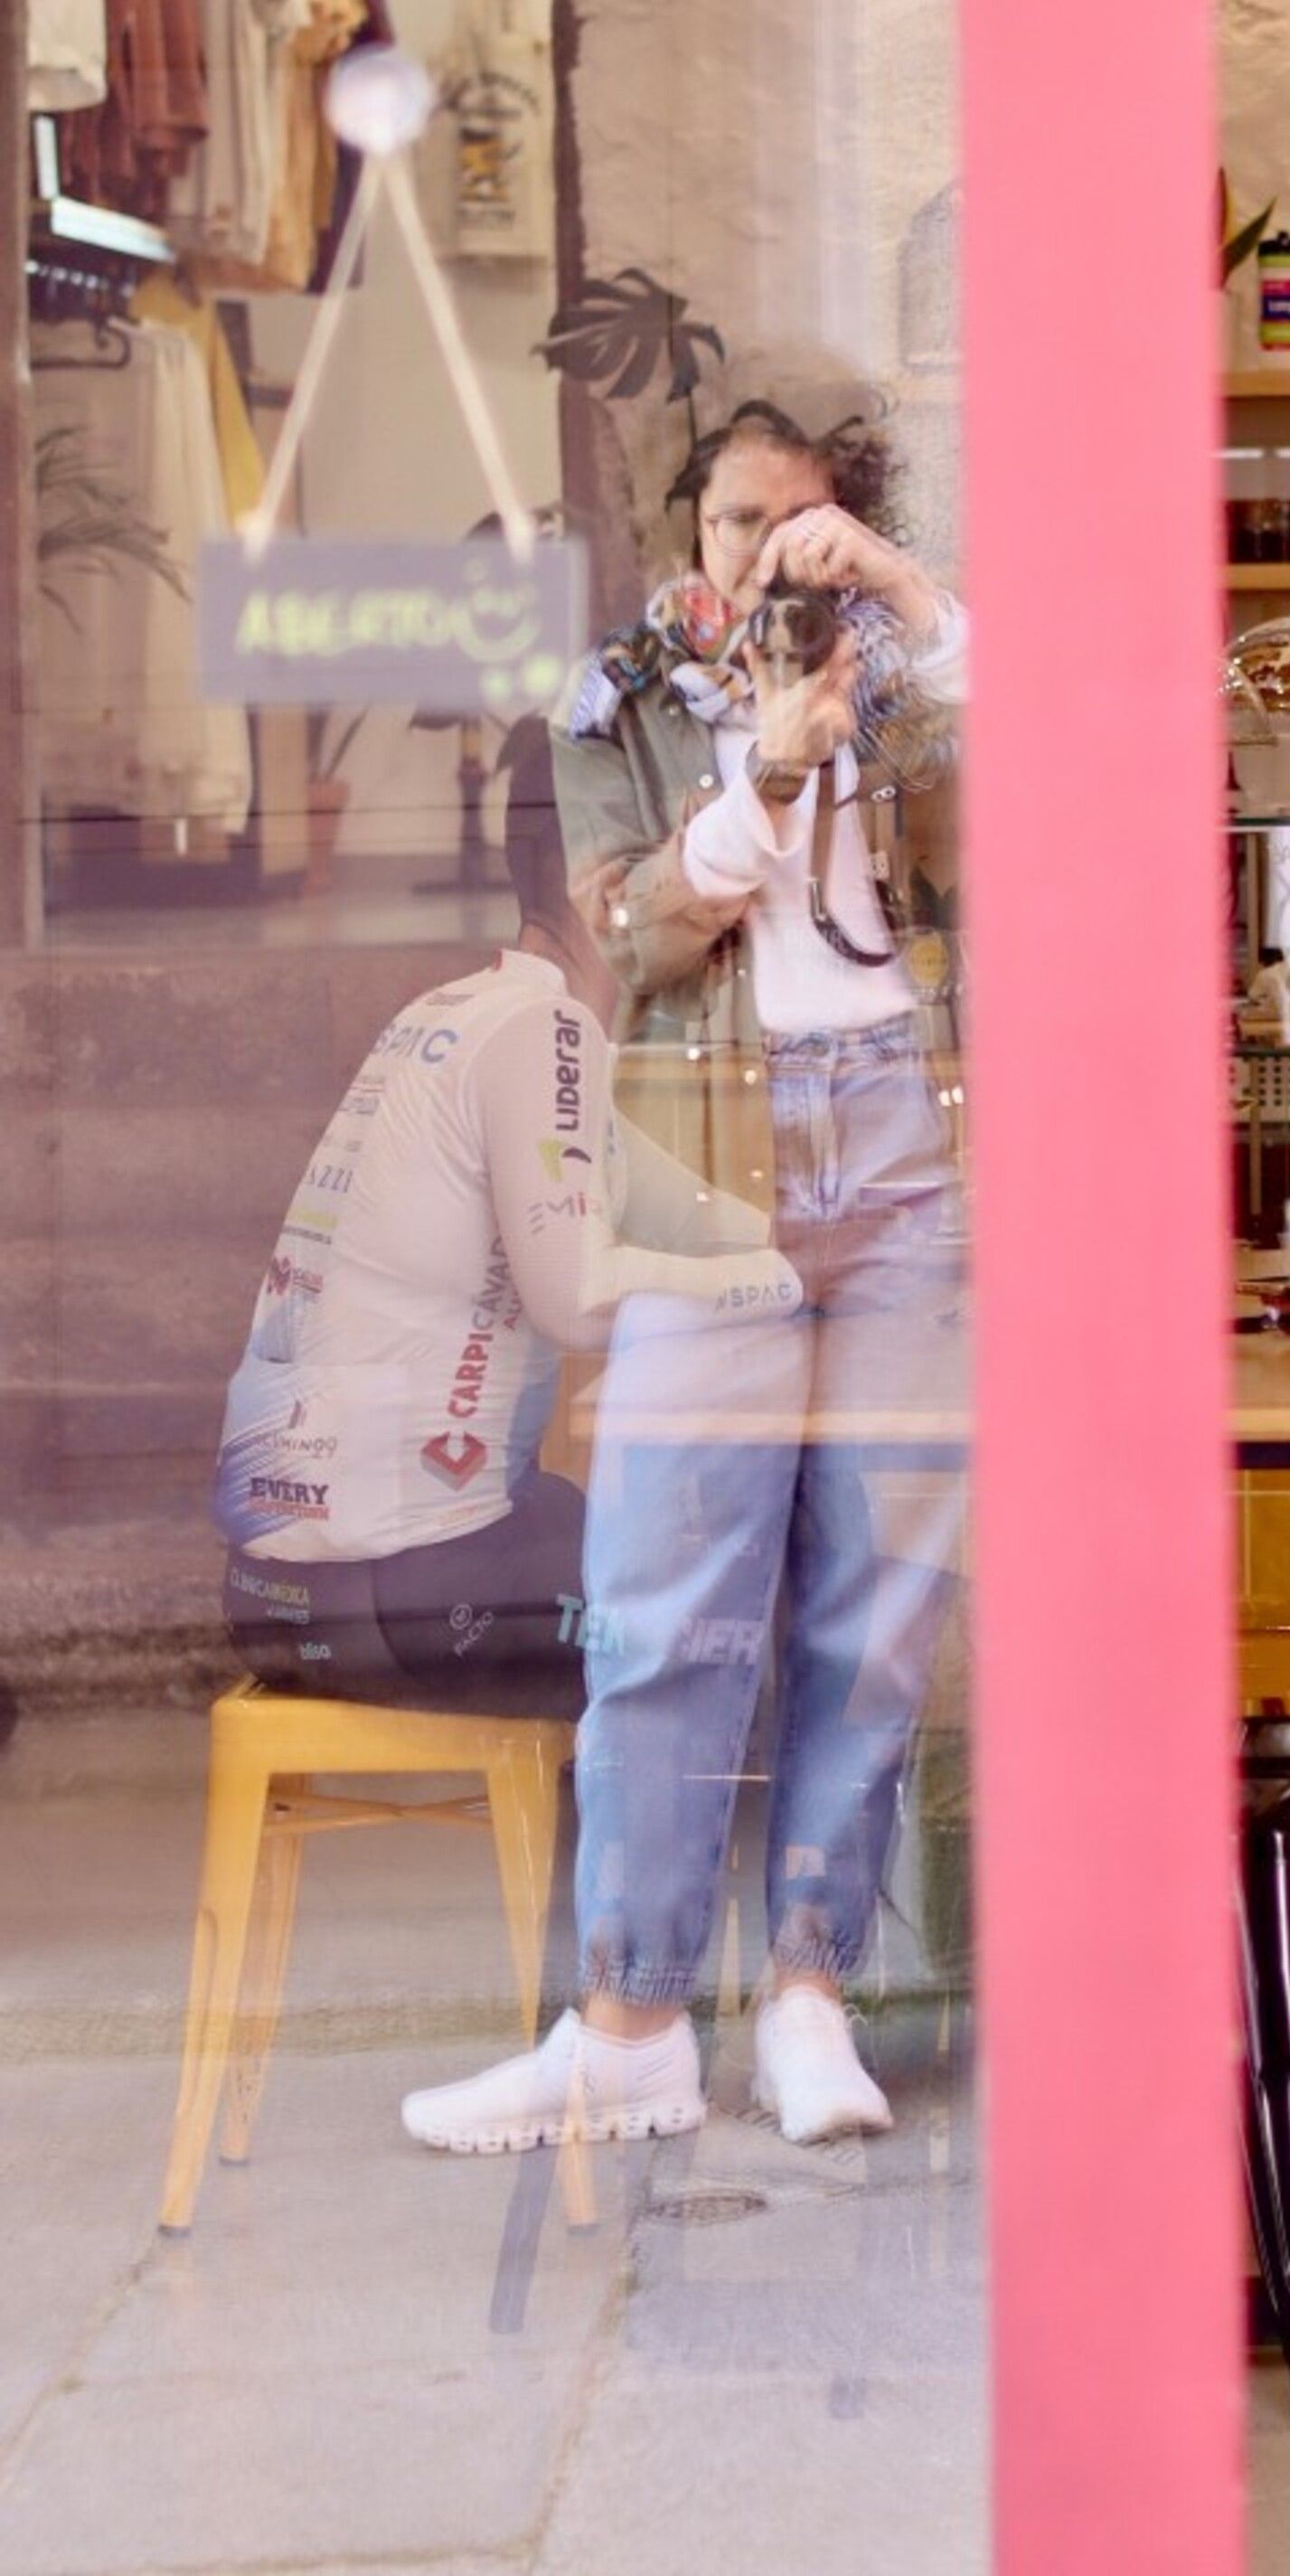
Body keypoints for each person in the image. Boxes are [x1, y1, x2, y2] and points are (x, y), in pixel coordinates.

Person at [400, 398, 967, 2156]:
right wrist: (771, 773)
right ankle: (631, 2023)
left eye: (807, 525)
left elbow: (1049, 783)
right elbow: (634, 924)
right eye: (739, 521)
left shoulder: (908, 686)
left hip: (905, 1146)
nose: (769, 553)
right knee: (661, 1589)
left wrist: (895, 599)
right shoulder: (616, 701)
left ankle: (807, 1995)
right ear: (685, 534)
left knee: (873, 1605)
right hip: (702, 1149)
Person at [212, 722, 802, 1720]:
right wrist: (786, 1284)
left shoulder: (469, 1012)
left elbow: (698, 1217)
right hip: (408, 1592)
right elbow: (579, 1297)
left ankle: (597, 1869)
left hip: (285, 1592)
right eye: (699, 854)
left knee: (659, 1537)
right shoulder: (544, 1033)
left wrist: (797, 1249)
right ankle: (684, 1877)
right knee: (771, 1605)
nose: (728, 894)